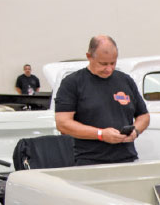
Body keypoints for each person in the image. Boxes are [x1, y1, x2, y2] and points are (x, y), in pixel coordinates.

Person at [54, 35, 150, 165]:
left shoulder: (125, 81)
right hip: (89, 161)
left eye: (113, 63)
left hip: (127, 158)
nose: (109, 68)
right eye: (103, 64)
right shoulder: (73, 83)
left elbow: (143, 116)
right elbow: (63, 123)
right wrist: (100, 134)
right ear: (89, 57)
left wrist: (136, 131)